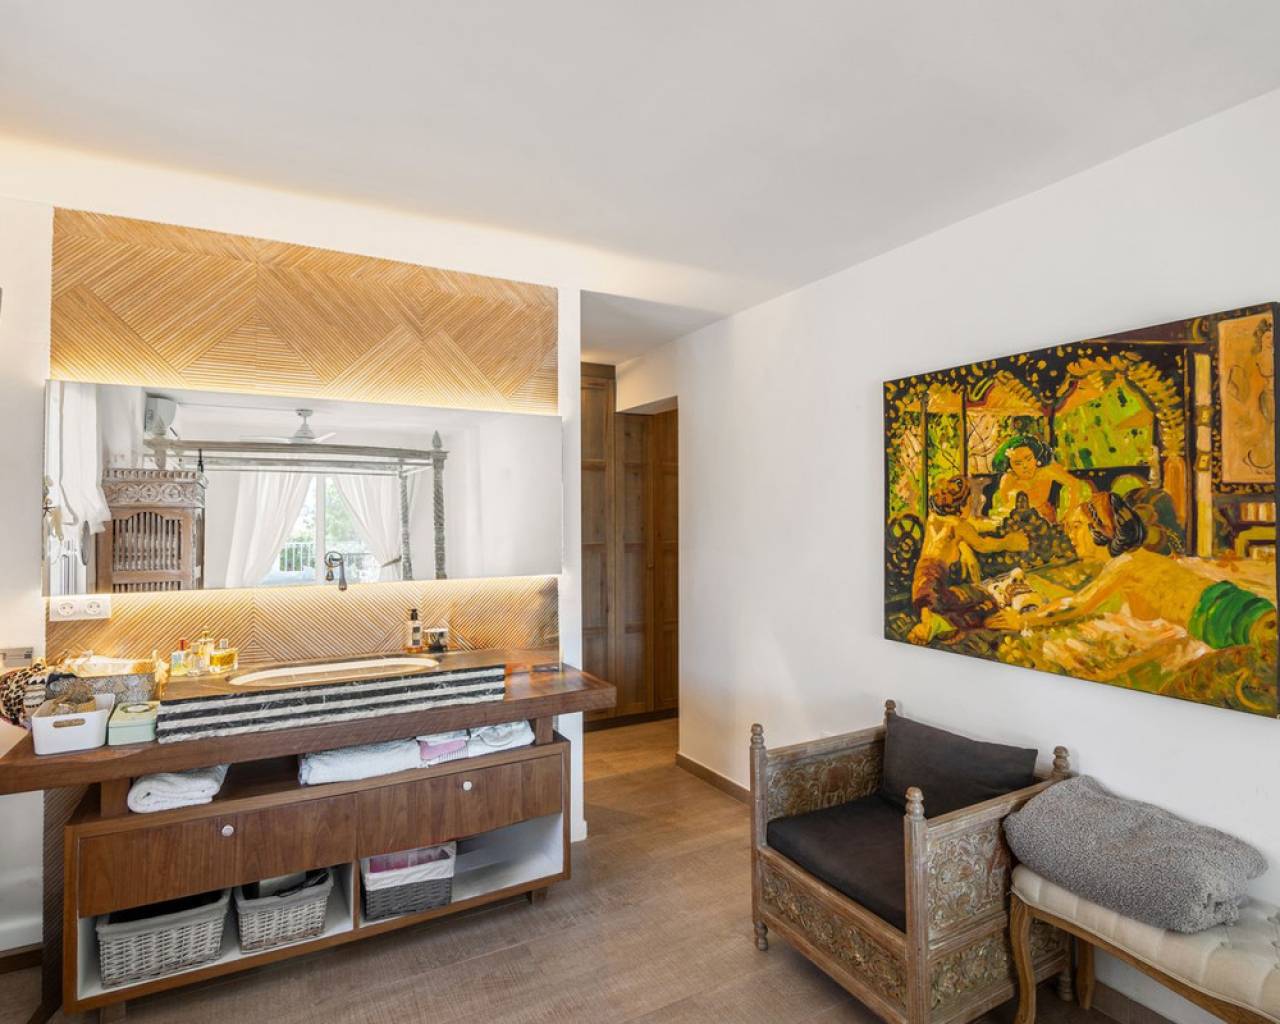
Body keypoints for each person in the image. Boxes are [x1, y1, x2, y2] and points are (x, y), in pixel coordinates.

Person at [987, 492, 1277, 661]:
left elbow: (1076, 605)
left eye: (1076, 527)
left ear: (1101, 531)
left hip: (1224, 617)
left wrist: (1023, 620)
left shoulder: (1125, 565)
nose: (1070, 536)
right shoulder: (1139, 558)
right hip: (1235, 605)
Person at [907, 476, 1028, 645]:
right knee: (985, 600)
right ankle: (937, 624)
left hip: (920, 589)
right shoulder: (959, 525)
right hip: (936, 590)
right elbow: (984, 545)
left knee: (942, 599)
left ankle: (930, 620)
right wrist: (1009, 541)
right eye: (970, 501)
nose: (972, 505)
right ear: (962, 505)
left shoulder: (933, 518)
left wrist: (963, 547)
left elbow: (950, 539)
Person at [991, 434, 1092, 523]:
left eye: (1028, 459)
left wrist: (1068, 516)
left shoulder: (1047, 470)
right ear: (1010, 467)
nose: (1025, 466)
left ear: (1036, 457)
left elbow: (1074, 484)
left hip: (1048, 523)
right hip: (1019, 525)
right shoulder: (1008, 480)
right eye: (1018, 463)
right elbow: (1004, 509)